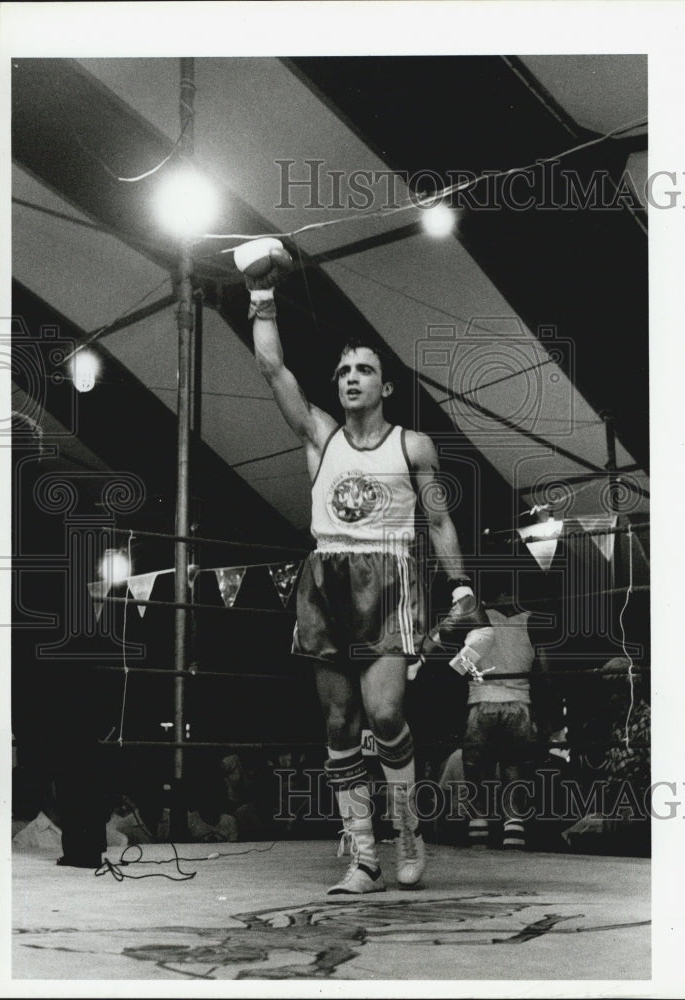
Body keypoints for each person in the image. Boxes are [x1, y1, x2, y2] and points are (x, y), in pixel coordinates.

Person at [236, 238, 489, 894]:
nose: (350, 377)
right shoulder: (319, 433)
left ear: (386, 383)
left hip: (389, 578)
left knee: (382, 713)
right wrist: (262, 293)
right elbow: (270, 368)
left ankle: (407, 829)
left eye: (364, 369)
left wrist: (461, 586)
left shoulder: (414, 445)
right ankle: (364, 856)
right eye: (344, 370)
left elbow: (436, 519)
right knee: (339, 722)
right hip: (326, 579)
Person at [462, 608, 542, 850]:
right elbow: (545, 666)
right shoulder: (530, 620)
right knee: (513, 765)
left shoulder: (477, 618)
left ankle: (478, 829)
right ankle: (513, 830)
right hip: (519, 703)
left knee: (476, 768)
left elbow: (461, 664)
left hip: (482, 701)